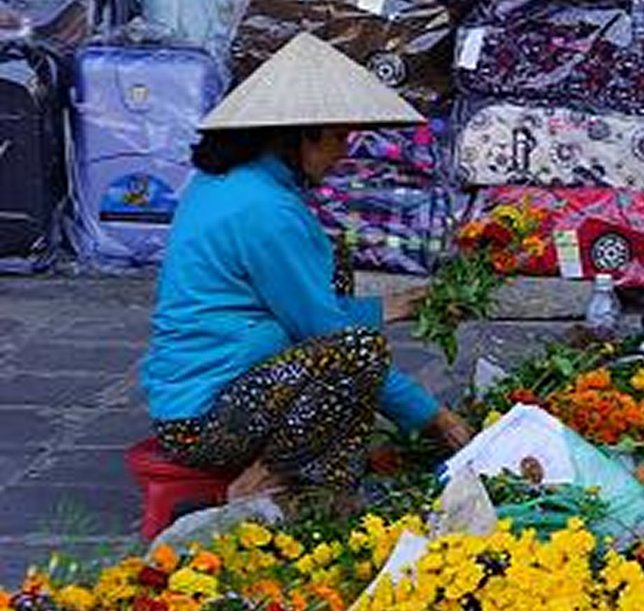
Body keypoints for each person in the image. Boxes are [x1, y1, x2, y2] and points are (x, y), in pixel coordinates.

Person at [141, 33, 473, 501]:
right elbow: (326, 336)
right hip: (204, 419)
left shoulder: (233, 182)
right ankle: (265, 482)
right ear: (296, 136)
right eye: (337, 137)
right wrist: (433, 416)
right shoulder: (266, 210)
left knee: (333, 266)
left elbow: (295, 303)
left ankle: (316, 482)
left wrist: (391, 308)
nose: (344, 152)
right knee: (356, 354)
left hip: (221, 385)